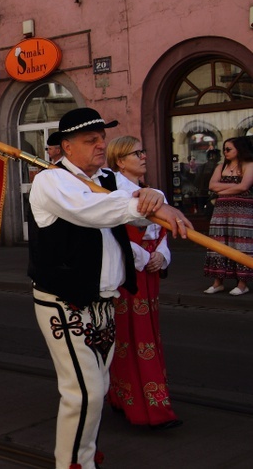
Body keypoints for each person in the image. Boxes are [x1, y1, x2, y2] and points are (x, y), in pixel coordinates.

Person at [27, 107, 191, 469]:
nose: (101, 145)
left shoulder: (109, 179)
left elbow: (142, 196)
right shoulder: (52, 181)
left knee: (98, 389)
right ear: (67, 147)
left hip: (105, 301)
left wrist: (157, 200)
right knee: (83, 393)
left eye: (102, 138)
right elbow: (93, 211)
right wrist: (143, 205)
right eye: (91, 140)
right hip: (64, 301)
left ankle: (86, 455)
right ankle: (73, 465)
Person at [105, 136, 181, 430]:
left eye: (143, 150)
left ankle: (134, 398)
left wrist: (162, 256)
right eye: (137, 153)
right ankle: (144, 407)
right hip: (129, 275)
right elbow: (112, 234)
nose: (144, 156)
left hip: (148, 274)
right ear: (121, 161)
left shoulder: (150, 191)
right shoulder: (114, 190)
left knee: (147, 335)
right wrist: (140, 256)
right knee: (130, 339)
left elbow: (161, 232)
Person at [203, 136, 253, 296]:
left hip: (242, 212)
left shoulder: (249, 165)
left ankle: (242, 283)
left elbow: (245, 186)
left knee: (241, 243)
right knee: (219, 243)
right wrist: (235, 186)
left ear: (240, 149)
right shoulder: (221, 166)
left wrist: (221, 190)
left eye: (228, 149)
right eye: (224, 149)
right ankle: (218, 282)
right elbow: (212, 185)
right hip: (221, 211)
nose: (225, 152)